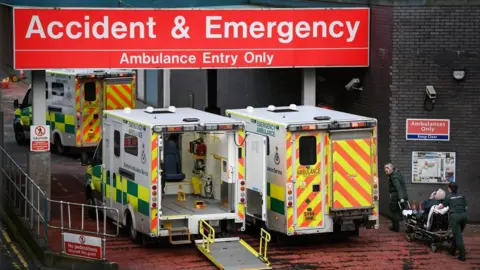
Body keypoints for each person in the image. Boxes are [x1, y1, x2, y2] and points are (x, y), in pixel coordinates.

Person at [438, 182, 468, 261]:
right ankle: (452, 250)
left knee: (458, 236)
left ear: (449, 188)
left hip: (455, 217)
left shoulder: (448, 197)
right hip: (464, 217)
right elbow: (466, 207)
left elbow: (441, 206)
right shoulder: (462, 195)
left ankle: (462, 255)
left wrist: (437, 207)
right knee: (457, 233)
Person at [384, 163, 409, 232]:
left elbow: (398, 188)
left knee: (393, 210)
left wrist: (401, 198)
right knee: (400, 211)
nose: (385, 169)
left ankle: (395, 228)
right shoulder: (397, 173)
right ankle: (404, 224)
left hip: (397, 196)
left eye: (387, 168)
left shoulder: (394, 177)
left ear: (392, 168)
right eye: (385, 168)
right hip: (403, 195)